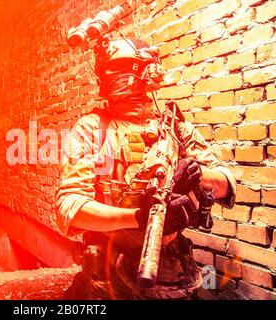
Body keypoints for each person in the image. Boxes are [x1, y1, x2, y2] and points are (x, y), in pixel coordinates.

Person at [55, 38, 236, 299]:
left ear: (146, 71)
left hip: (175, 273)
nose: (109, 77)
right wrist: (137, 217)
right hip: (110, 276)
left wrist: (196, 174)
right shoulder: (92, 129)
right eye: (105, 71)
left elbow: (227, 185)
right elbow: (70, 209)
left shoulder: (175, 128)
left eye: (120, 68)